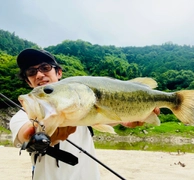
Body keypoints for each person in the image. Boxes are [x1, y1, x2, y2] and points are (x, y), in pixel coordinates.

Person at [10, 48, 160, 180]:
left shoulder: (80, 105)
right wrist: (38, 137)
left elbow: (109, 118)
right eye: (31, 72)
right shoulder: (23, 114)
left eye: (45, 67)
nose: (39, 74)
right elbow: (25, 133)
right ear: (29, 82)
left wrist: (128, 118)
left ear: (59, 72)